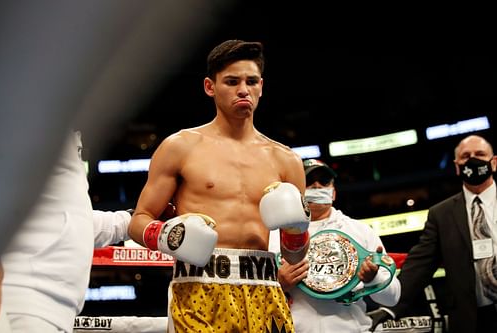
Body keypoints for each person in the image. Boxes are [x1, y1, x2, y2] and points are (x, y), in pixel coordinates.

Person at [128, 39, 310, 333]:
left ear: (261, 86)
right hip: (200, 288)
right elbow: (139, 220)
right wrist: (168, 235)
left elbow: (294, 255)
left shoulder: (286, 160)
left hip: (264, 288)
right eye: (231, 81)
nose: (243, 89)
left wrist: (296, 232)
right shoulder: (180, 147)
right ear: (210, 87)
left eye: (251, 81)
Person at [1, 130, 133, 333]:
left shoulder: (58, 127)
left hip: (48, 308)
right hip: (21, 302)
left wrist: (129, 222)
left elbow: (66, 218)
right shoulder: (27, 114)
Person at [369, 134, 497, 333]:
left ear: (494, 162)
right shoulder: (442, 214)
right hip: (473, 319)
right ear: (456, 166)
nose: (472, 159)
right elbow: (419, 265)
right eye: (465, 156)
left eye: (480, 154)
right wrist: (389, 308)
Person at [269, 158, 401, 332]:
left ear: (333, 192)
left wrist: (373, 279)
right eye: (309, 181)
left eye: (324, 181)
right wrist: (278, 285)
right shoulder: (274, 237)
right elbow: (254, 298)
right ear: (296, 191)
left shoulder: (360, 231)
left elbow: (393, 298)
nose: (317, 186)